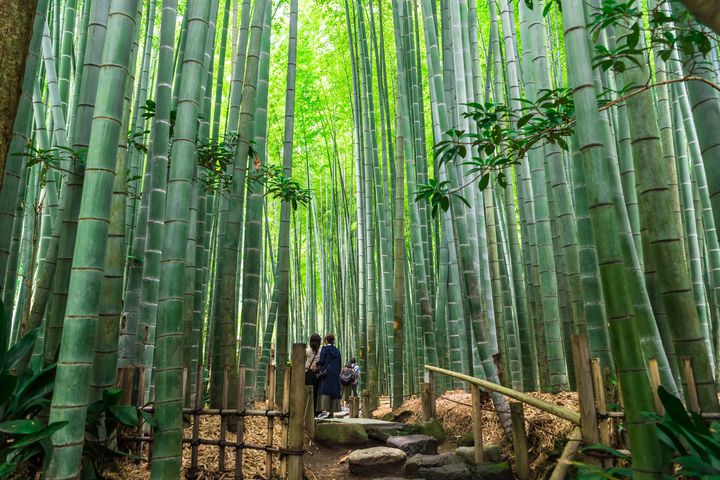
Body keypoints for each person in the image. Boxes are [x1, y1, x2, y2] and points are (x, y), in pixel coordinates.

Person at [316, 334, 341, 419]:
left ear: (326, 340)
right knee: (334, 393)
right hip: (335, 374)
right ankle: (331, 413)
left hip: (326, 374)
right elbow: (339, 364)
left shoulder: (325, 349)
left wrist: (317, 364)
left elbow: (322, 361)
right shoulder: (337, 351)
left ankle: (323, 411)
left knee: (325, 391)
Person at [305, 334, 322, 417]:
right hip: (317, 375)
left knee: (308, 393)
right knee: (316, 393)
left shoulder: (307, 351)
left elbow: (304, 364)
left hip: (308, 375)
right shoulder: (321, 351)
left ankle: (307, 411)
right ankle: (316, 412)